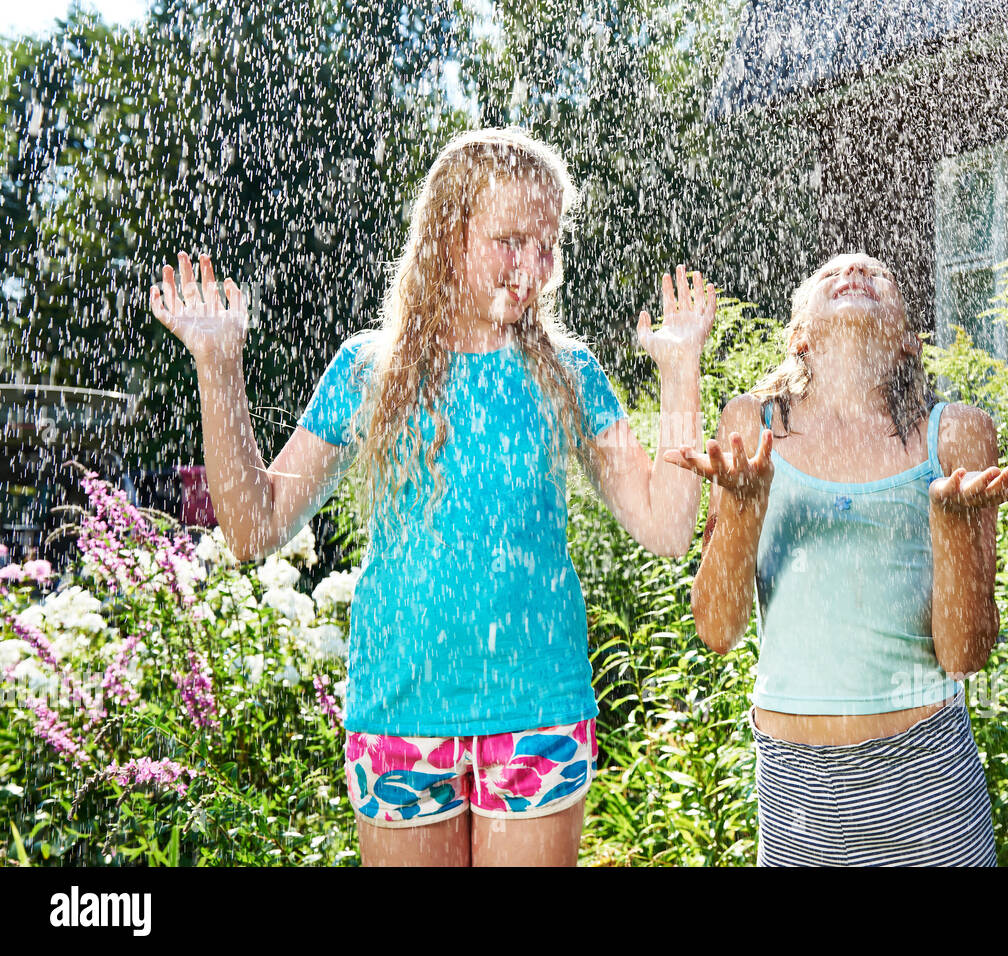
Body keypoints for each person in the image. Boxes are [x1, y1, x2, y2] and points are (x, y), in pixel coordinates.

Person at [148, 127, 715, 866]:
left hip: (536, 711)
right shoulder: (369, 371)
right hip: (401, 712)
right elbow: (255, 528)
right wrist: (218, 366)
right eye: (511, 240)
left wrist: (680, 373)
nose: (533, 268)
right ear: (449, 236)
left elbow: (668, 526)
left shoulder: (566, 372)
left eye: (546, 246)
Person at [664, 253, 1008, 866]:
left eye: (879, 274)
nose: (856, 272)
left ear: (905, 342)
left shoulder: (955, 433)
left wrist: (952, 524)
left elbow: (966, 653)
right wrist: (742, 507)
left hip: (929, 786)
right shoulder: (749, 425)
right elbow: (716, 630)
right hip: (795, 796)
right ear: (800, 337)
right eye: (829, 273)